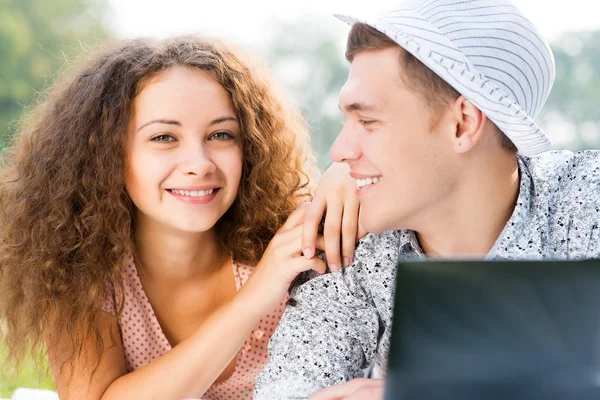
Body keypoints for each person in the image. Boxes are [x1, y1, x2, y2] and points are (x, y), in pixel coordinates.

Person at [256, 0, 600, 399]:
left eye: (367, 121)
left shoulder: (585, 201)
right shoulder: (351, 237)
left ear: (462, 124)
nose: (338, 150)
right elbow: (287, 385)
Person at [0, 35, 361, 400]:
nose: (199, 164)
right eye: (163, 137)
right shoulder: (78, 268)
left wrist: (347, 173)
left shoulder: (289, 246)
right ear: (107, 155)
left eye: (221, 135)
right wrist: (253, 300)